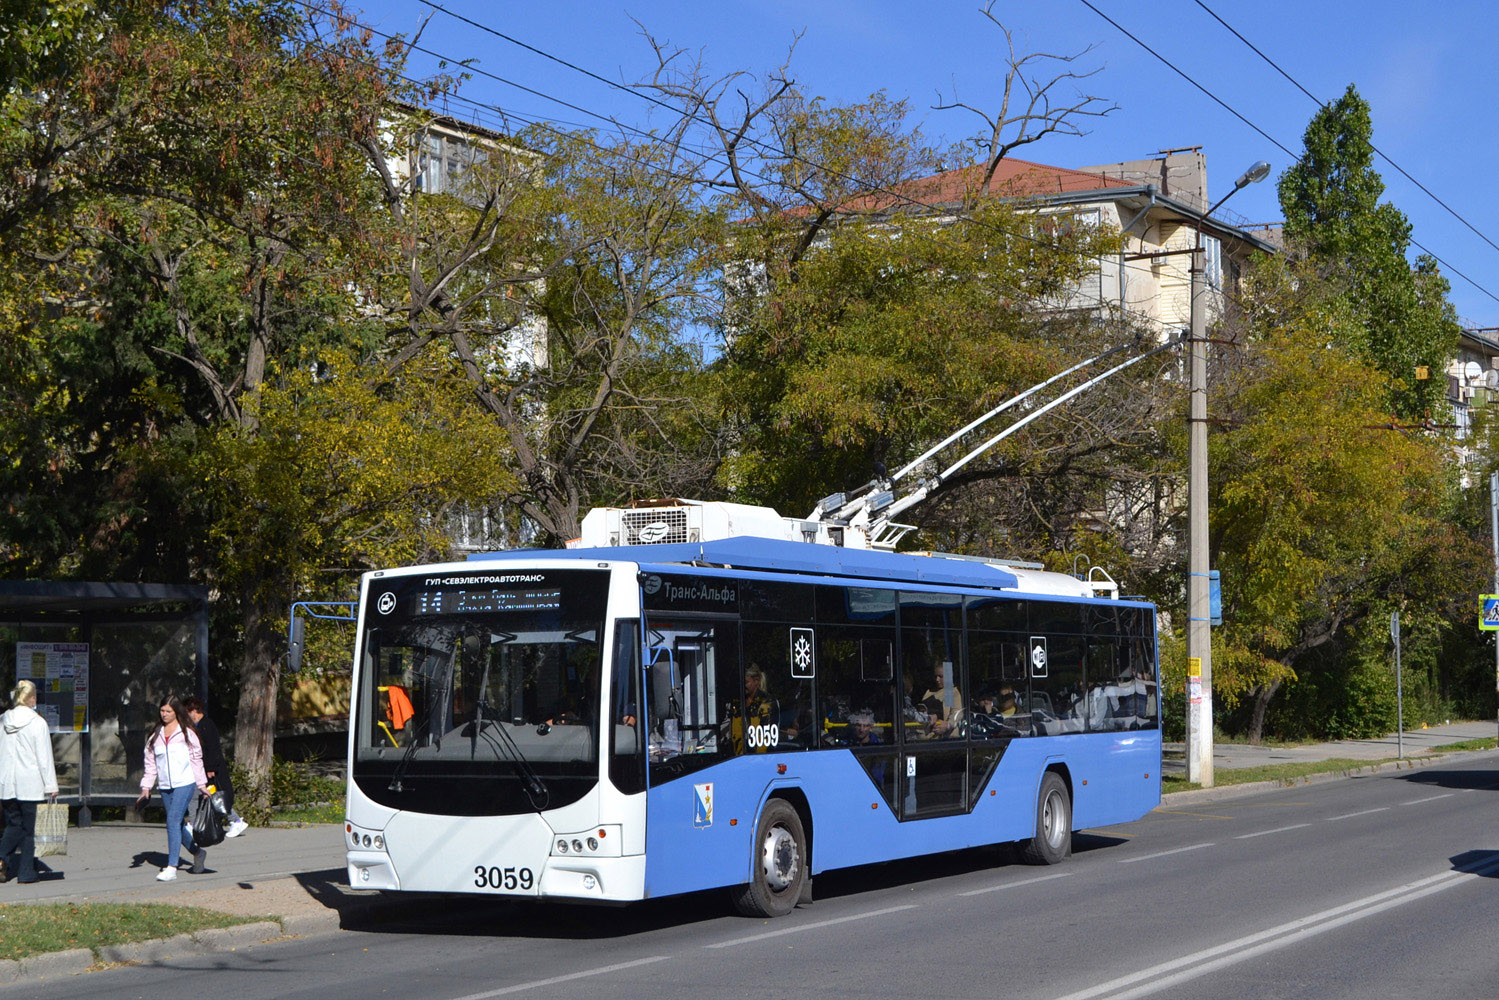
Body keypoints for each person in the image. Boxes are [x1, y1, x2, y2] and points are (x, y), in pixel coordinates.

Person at [136, 695, 209, 881]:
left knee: (172, 821)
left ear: (177, 712)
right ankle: (198, 853)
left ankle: (172, 866)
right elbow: (150, 764)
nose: (165, 714)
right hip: (165, 785)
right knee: (177, 824)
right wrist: (146, 787)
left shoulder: (186, 733)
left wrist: (202, 785)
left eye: (169, 711)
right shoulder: (155, 736)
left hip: (185, 783)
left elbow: (196, 759)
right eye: (162, 711)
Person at [0, 681, 58, 884]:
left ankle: (5, 862)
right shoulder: (38, 723)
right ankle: (25, 872)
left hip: (7, 783)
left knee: (13, 824)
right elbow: (44, 757)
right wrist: (51, 785)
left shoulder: (3, 720)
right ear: (31, 698)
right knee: (28, 830)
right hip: (30, 784)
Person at [181, 696, 248, 838]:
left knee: (206, 795)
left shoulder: (206, 725)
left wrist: (210, 768)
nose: (186, 717)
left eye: (187, 712)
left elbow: (212, 748)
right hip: (204, 768)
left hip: (210, 769)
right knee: (210, 796)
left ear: (194, 710)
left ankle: (196, 824)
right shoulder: (200, 725)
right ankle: (233, 820)